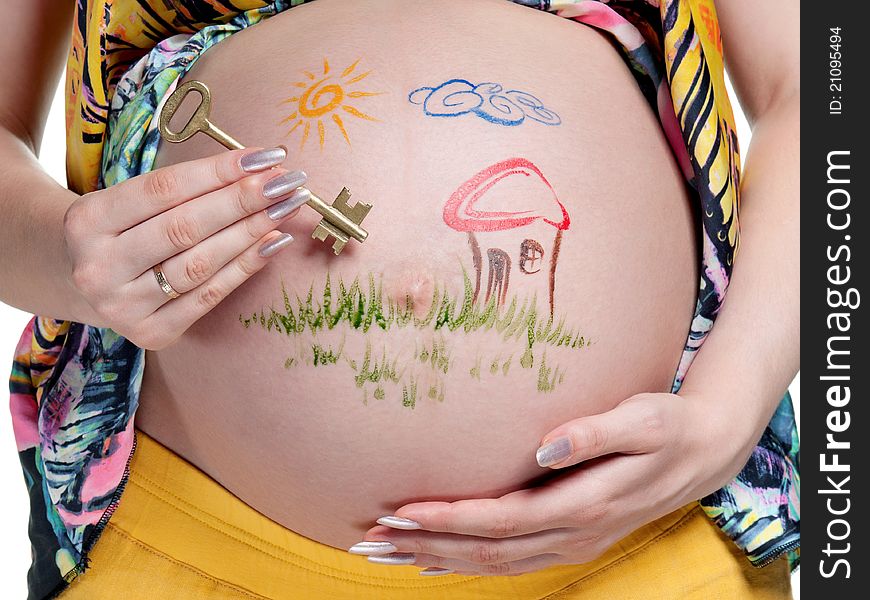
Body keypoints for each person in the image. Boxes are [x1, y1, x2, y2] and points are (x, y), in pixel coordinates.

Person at [2, 0, 799, 598]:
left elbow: (826, 85)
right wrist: (69, 256)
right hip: (191, 540)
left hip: (643, 538)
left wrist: (727, 418)